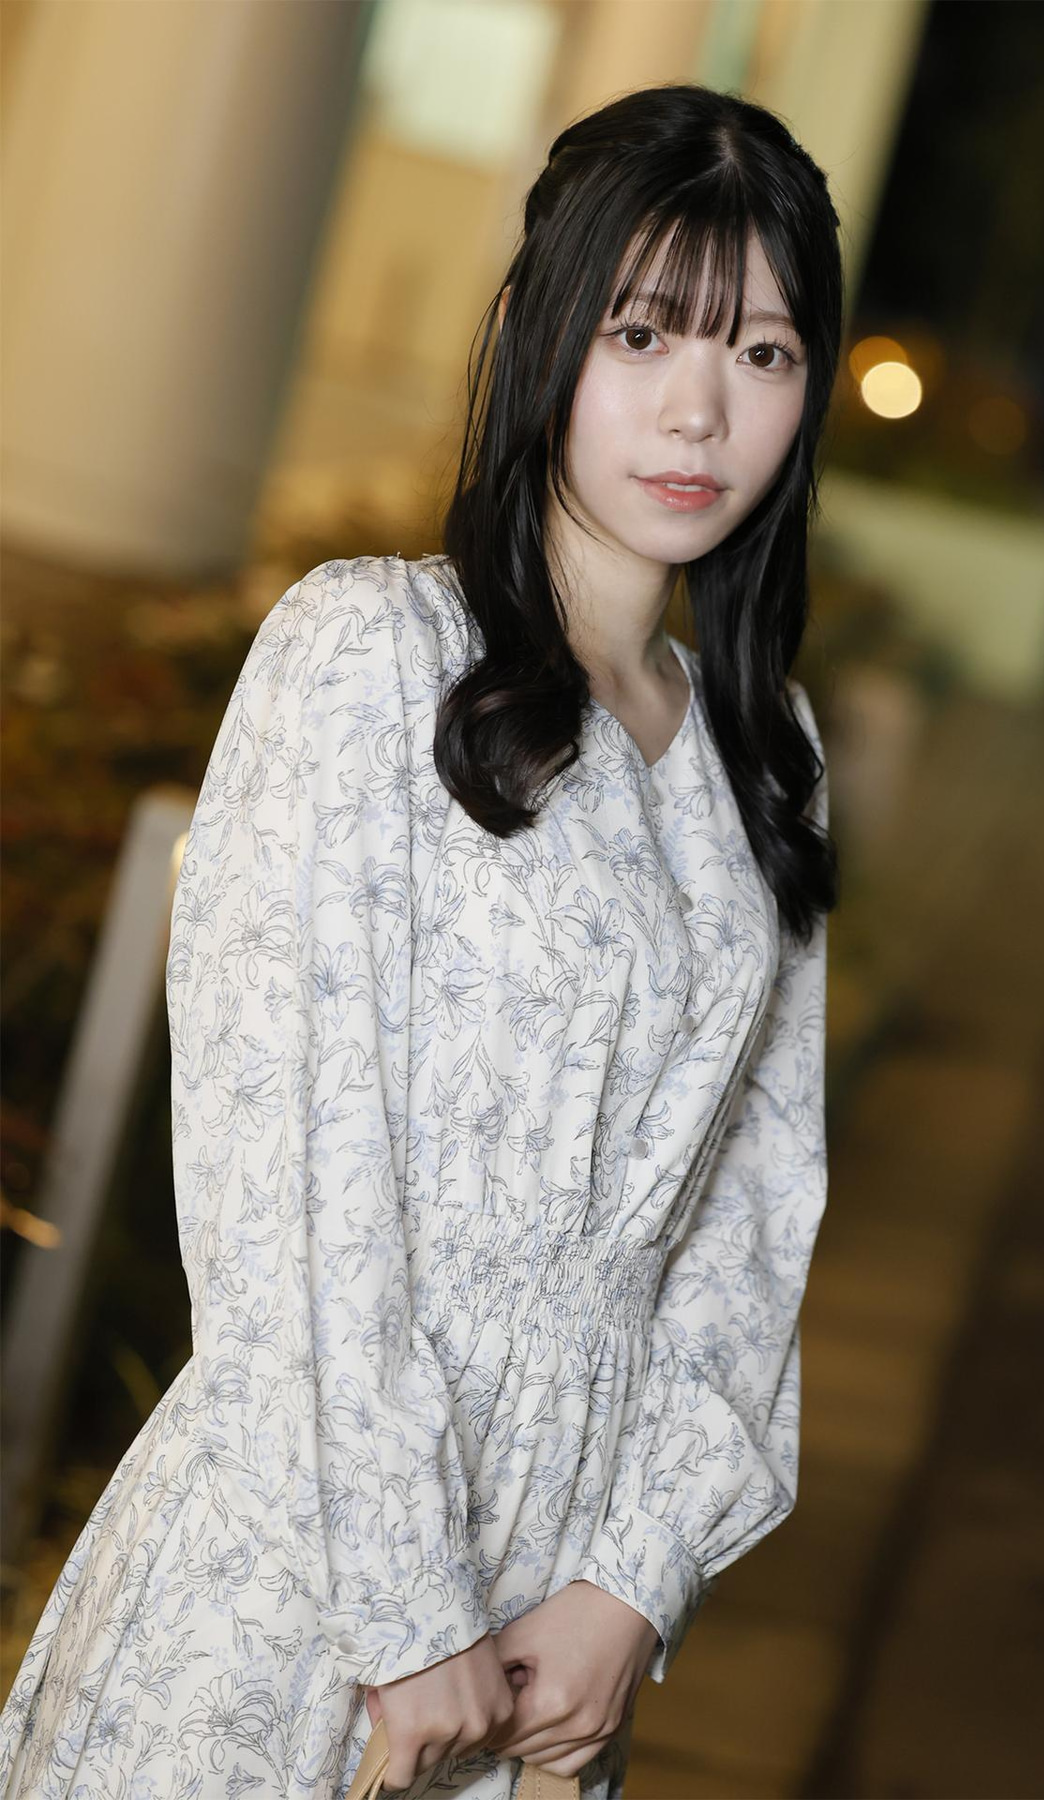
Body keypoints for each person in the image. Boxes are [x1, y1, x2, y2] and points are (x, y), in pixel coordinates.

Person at [0, 79, 842, 1800]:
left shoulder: (770, 756)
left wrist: (634, 1581)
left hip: (560, 1621)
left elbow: (754, 1221)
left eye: (761, 352)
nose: (699, 409)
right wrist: (400, 1604)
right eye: (641, 332)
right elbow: (281, 1162)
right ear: (542, 335)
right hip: (305, 1559)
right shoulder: (372, 655)